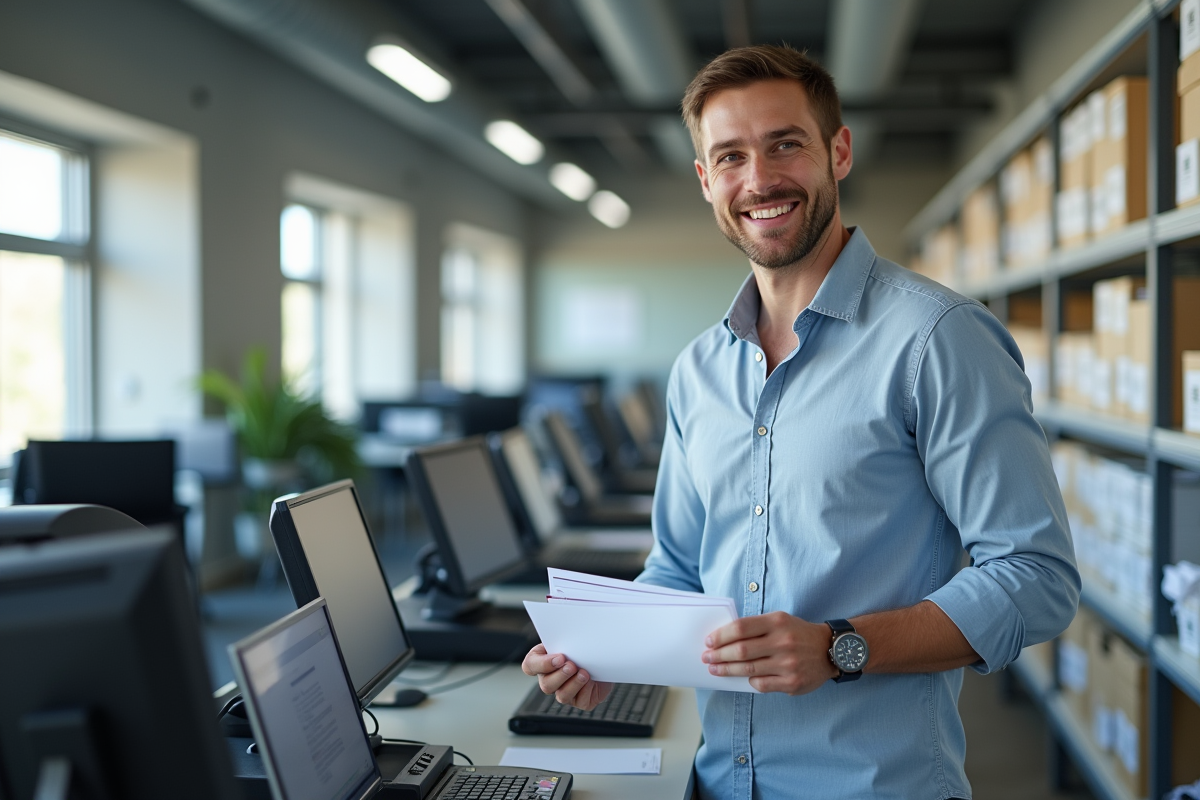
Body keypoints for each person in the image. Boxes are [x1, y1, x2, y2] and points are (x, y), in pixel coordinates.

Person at [522, 44, 1079, 799]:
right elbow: (679, 567)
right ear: (705, 180)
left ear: (838, 152)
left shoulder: (938, 340)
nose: (759, 180)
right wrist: (606, 653)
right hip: (717, 782)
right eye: (730, 156)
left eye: (785, 144)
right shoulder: (698, 370)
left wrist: (839, 647)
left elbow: (1036, 576)